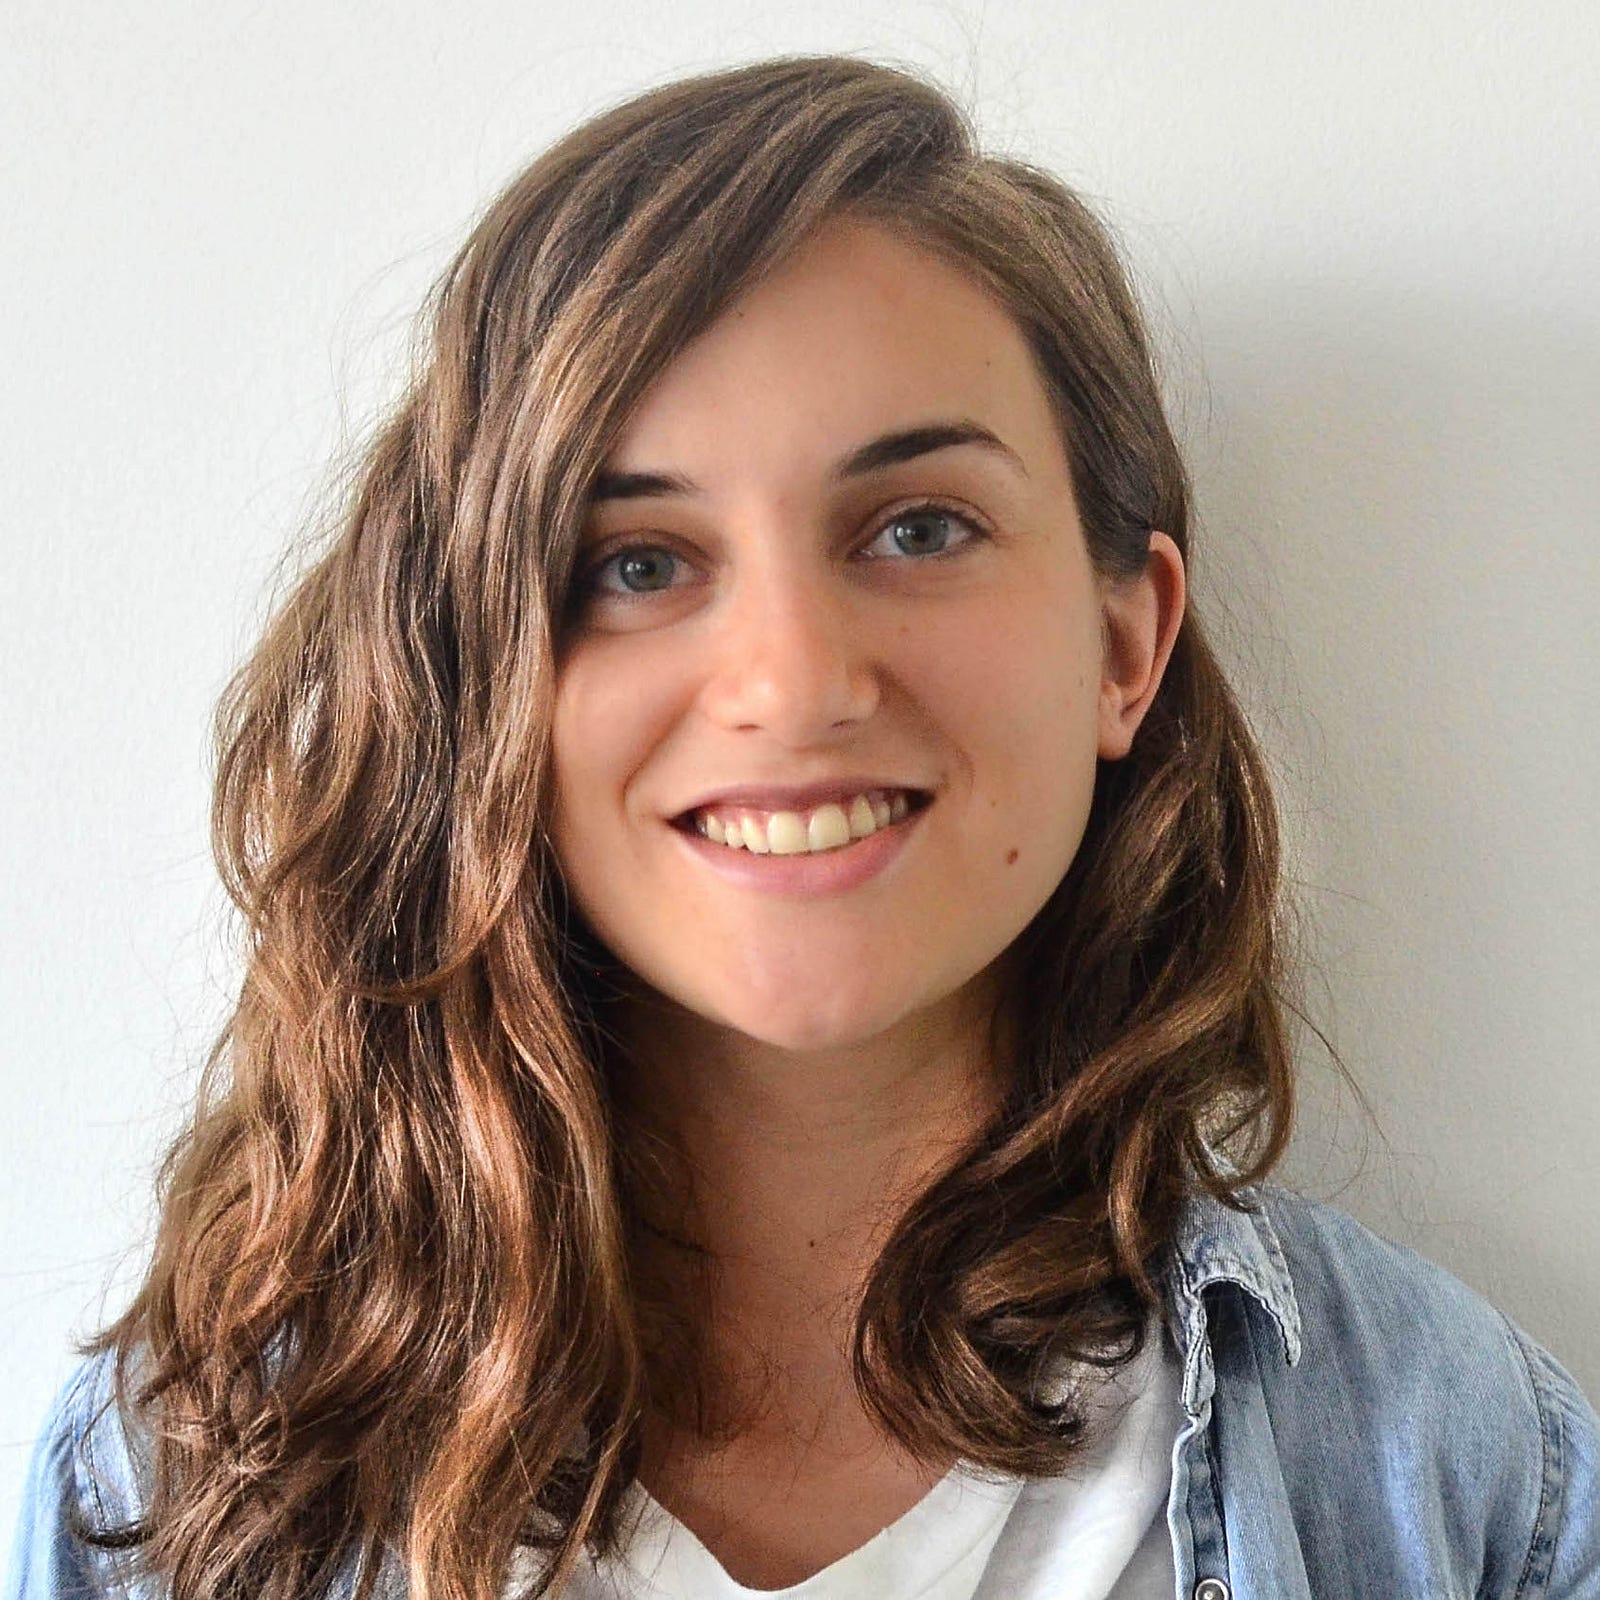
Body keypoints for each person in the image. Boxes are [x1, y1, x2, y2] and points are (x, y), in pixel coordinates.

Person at [6, 53, 1597, 1600]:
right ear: (479, 673)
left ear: (1126, 643)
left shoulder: (1466, 1480)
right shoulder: (174, 1484)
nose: (792, 682)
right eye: (637, 562)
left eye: (920, 528)